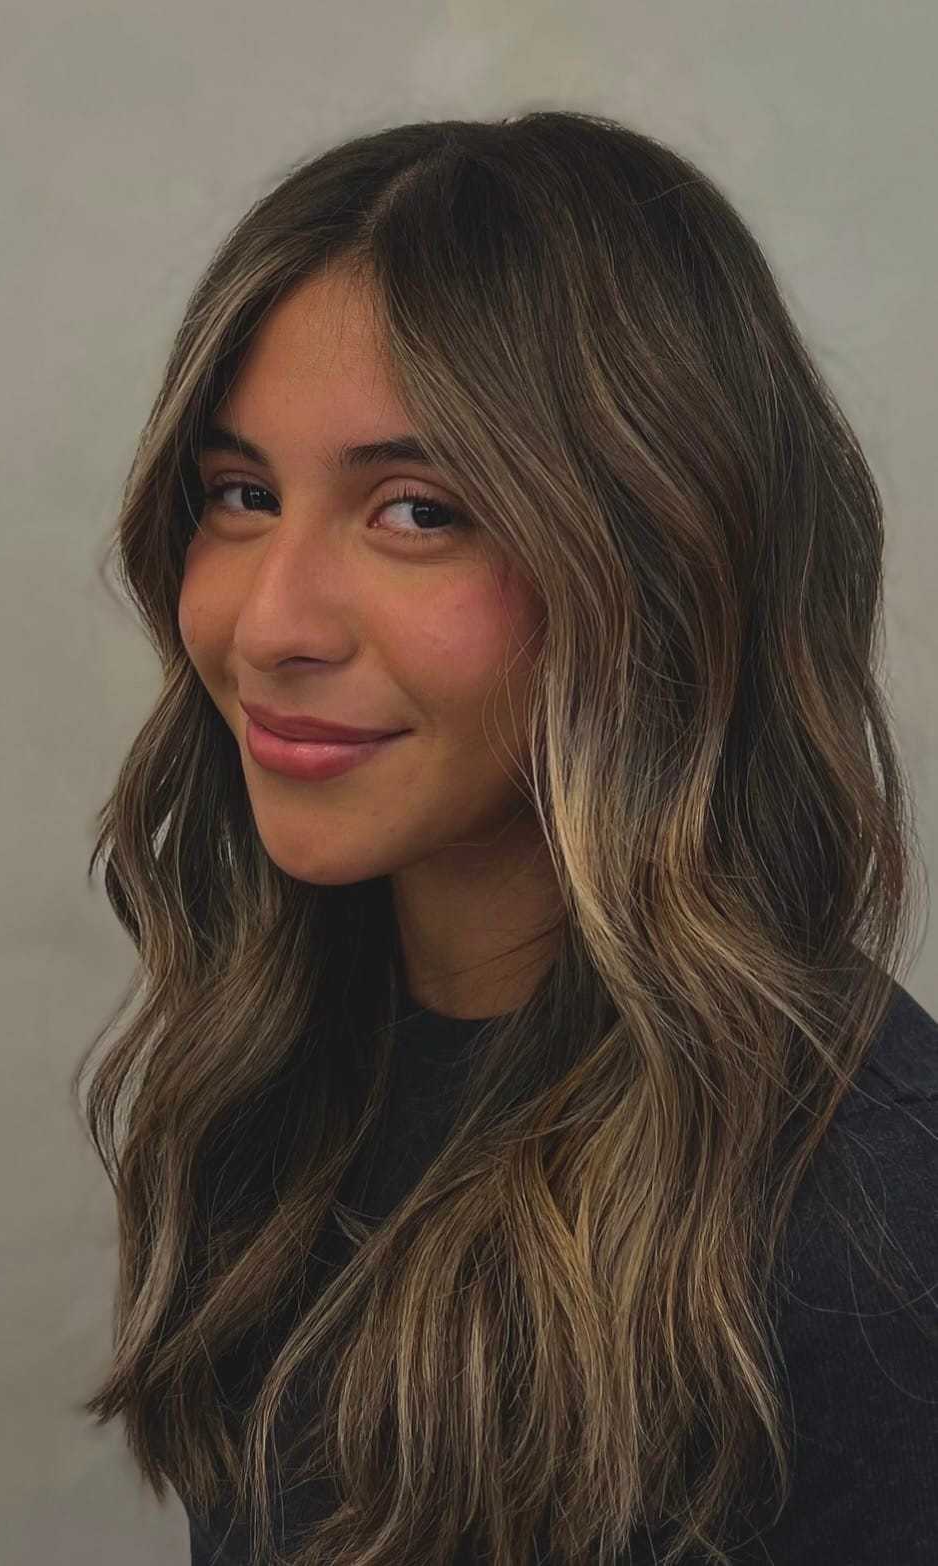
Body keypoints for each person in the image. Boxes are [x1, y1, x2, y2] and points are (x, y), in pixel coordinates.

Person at [74, 111, 938, 1565]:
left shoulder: (870, 1231)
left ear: (662, 563)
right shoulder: (286, 1077)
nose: (271, 622)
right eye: (242, 496)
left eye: (418, 512)